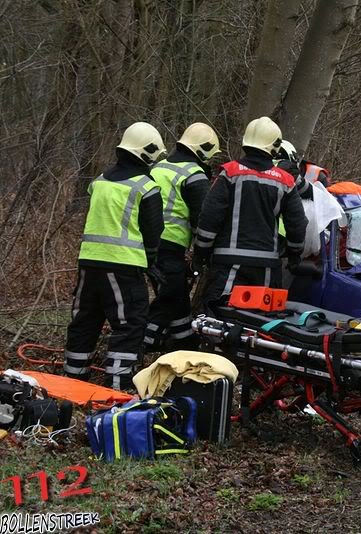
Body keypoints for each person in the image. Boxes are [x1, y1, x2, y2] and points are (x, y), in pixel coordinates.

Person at [64, 122, 166, 390]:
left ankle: (72, 381)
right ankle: (117, 386)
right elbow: (153, 232)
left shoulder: (98, 182)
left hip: (89, 263)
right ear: (148, 153)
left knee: (85, 320)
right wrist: (152, 262)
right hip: (124, 267)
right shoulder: (146, 187)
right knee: (130, 324)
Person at [194, 117, 307, 311]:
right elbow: (297, 224)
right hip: (267, 268)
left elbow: (209, 217)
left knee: (219, 318)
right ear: (275, 147)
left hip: (228, 264)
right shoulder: (286, 181)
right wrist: (294, 255)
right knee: (259, 323)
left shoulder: (229, 173)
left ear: (246, 141)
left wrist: (201, 251)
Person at [143, 122, 220, 352]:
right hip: (170, 247)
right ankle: (142, 344)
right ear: (203, 150)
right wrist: (203, 253)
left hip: (144, 245)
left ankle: (184, 342)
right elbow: (202, 221)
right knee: (168, 299)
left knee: (177, 300)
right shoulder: (194, 175)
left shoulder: (158, 167)